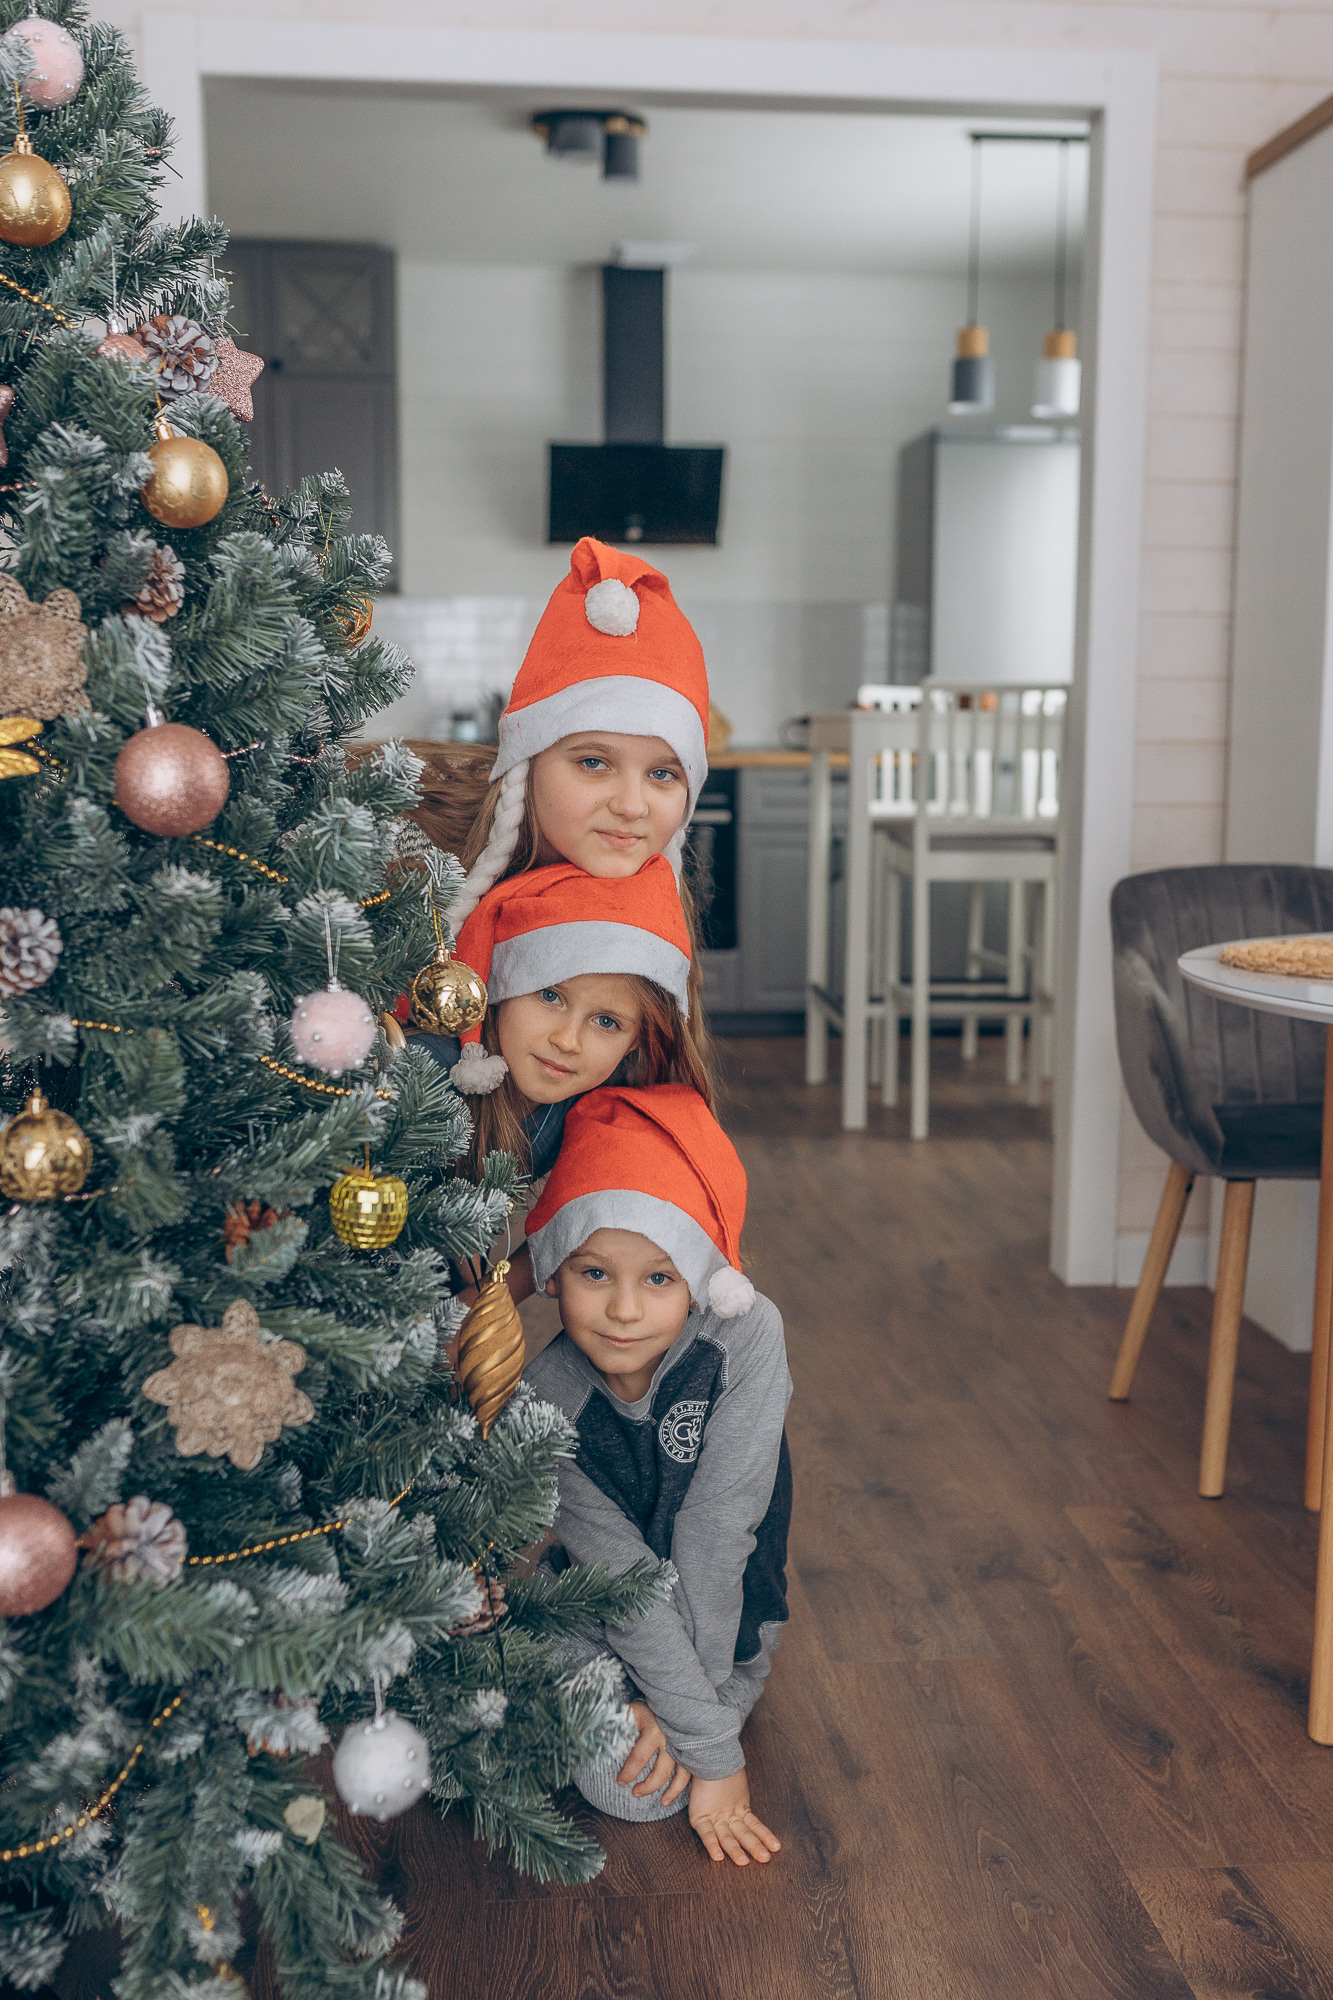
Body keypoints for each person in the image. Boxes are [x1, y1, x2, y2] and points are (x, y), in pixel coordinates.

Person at [523, 1084, 791, 1867]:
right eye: (594, 1273)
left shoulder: (743, 1340)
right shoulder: (547, 1397)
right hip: (603, 1599)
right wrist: (695, 1737)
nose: (623, 1311)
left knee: (630, 1794)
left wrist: (706, 1748)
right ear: (554, 1272)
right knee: (601, 1756)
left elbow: (715, 1537)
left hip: (726, 1610)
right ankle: (600, 1690)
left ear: (701, 1280)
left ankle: (697, 1698)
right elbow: (617, 1574)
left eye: (659, 1279)